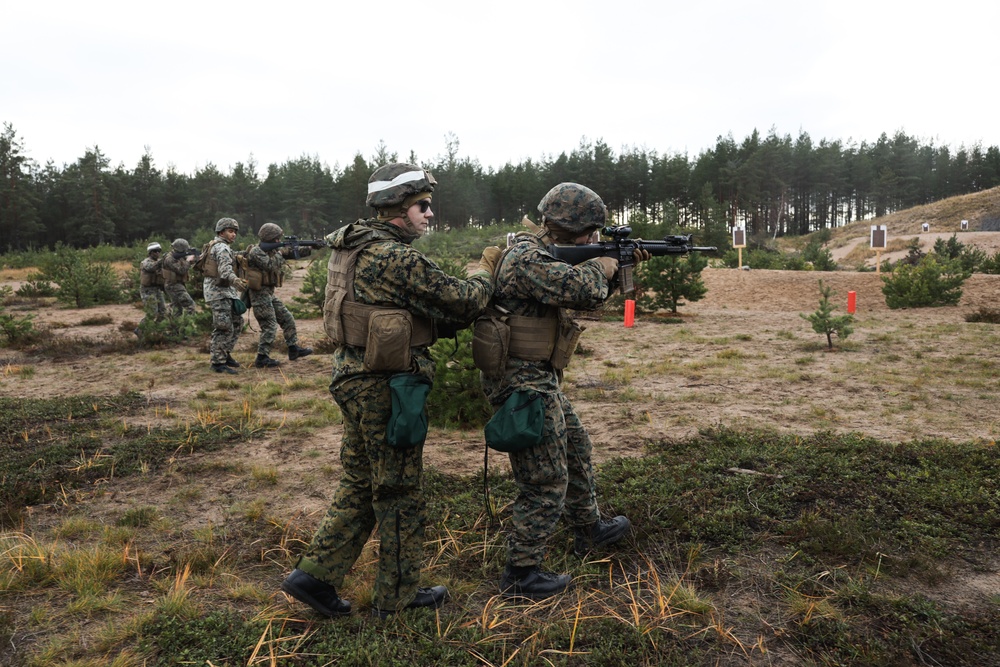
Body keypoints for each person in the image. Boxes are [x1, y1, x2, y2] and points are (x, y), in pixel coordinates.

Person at [280, 163, 500, 619]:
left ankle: (314, 577)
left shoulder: (355, 244)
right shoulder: (392, 256)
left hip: (354, 376)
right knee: (398, 490)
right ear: (400, 208)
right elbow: (464, 300)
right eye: (423, 206)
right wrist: (484, 270)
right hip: (387, 385)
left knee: (362, 481)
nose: (430, 214)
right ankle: (397, 598)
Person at [479, 182, 648, 601]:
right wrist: (607, 263)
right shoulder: (527, 257)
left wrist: (619, 265)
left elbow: (587, 296)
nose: (595, 239)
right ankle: (521, 573)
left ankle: (588, 528)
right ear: (575, 229)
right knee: (544, 477)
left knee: (575, 446)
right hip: (521, 382)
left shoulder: (544, 249)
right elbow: (581, 289)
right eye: (592, 232)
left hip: (538, 377)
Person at [245, 223, 313, 368]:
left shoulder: (273, 251)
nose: (278, 241)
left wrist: (310, 248)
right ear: (269, 238)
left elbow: (293, 254)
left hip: (268, 294)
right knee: (269, 326)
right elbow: (270, 265)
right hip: (259, 295)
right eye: (276, 239)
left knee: (287, 318)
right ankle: (262, 358)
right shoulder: (256, 252)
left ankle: (293, 349)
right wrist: (282, 253)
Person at [203, 217, 247, 374]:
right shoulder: (222, 248)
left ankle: (224, 353)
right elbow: (225, 270)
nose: (233, 234)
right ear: (221, 232)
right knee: (223, 327)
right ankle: (217, 362)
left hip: (224, 292)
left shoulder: (220, 246)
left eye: (235, 231)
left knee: (237, 322)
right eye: (230, 231)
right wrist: (235, 280)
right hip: (219, 293)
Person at [162, 238, 198, 317]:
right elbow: (181, 270)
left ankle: (175, 326)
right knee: (190, 305)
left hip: (177, 284)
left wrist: (193, 259)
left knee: (177, 309)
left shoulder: (178, 256)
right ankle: (188, 326)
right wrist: (188, 261)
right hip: (173, 285)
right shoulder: (169, 259)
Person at [138, 242, 167, 331]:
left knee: (163, 312)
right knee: (152, 313)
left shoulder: (158, 263)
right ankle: (140, 330)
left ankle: (155, 329)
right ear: (150, 252)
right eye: (155, 251)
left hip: (157, 289)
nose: (157, 253)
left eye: (159, 251)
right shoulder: (146, 262)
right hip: (148, 290)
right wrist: (162, 260)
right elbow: (150, 267)